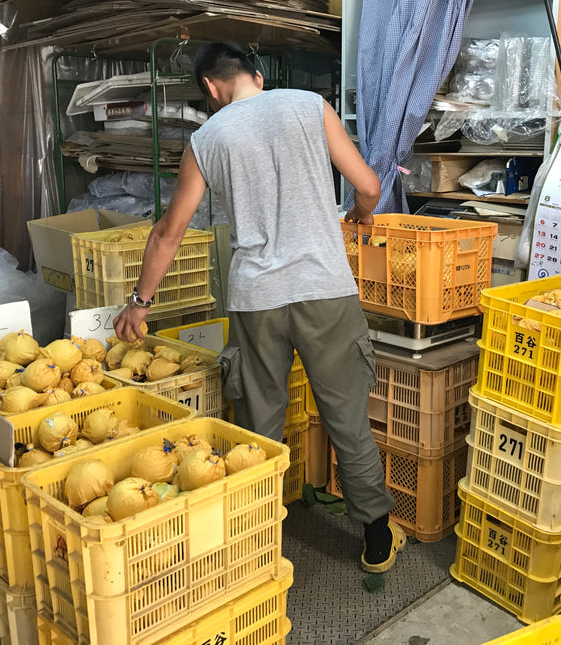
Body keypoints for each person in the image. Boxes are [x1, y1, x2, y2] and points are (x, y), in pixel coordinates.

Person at [114, 41, 404, 573]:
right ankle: (376, 540)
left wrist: (139, 303)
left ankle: (254, 542)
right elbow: (367, 185)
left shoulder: (207, 139)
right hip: (324, 290)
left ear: (209, 87)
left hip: (256, 301)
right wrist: (361, 215)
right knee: (346, 419)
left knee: (258, 426)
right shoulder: (309, 105)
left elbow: (169, 232)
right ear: (256, 75)